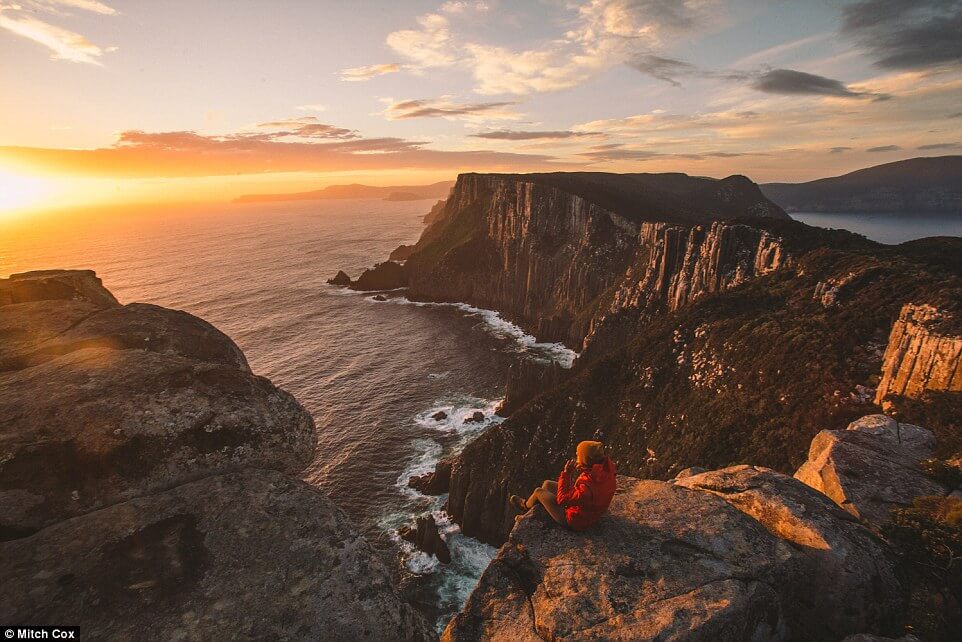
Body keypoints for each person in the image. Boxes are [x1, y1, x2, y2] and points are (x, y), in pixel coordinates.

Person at [509, 440, 616, 531]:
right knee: (547, 484)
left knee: (538, 492)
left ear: (586, 459)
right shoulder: (605, 470)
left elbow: (562, 499)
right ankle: (537, 506)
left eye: (578, 455)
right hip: (589, 509)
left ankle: (525, 507)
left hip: (577, 521)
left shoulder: (587, 487)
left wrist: (567, 473)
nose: (576, 457)